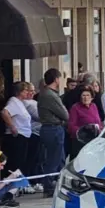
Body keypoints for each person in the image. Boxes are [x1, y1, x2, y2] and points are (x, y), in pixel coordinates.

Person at [37, 68, 68, 196]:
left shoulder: (46, 94)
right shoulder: (50, 95)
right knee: (53, 159)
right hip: (53, 128)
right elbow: (65, 114)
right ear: (56, 79)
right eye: (59, 79)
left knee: (60, 159)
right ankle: (48, 186)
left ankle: (62, 184)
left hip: (51, 128)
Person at [0, 81, 35, 181]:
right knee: (16, 162)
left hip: (24, 135)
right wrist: (12, 127)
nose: (28, 92)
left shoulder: (21, 102)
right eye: (25, 90)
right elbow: (4, 112)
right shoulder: (13, 101)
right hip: (17, 136)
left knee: (21, 161)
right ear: (19, 92)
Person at [67, 87, 103, 156]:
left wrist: (100, 129)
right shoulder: (75, 107)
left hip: (94, 141)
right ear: (80, 97)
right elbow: (71, 126)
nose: (86, 98)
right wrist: (83, 131)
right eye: (83, 95)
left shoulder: (94, 106)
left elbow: (98, 122)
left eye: (88, 95)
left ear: (92, 97)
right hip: (80, 142)